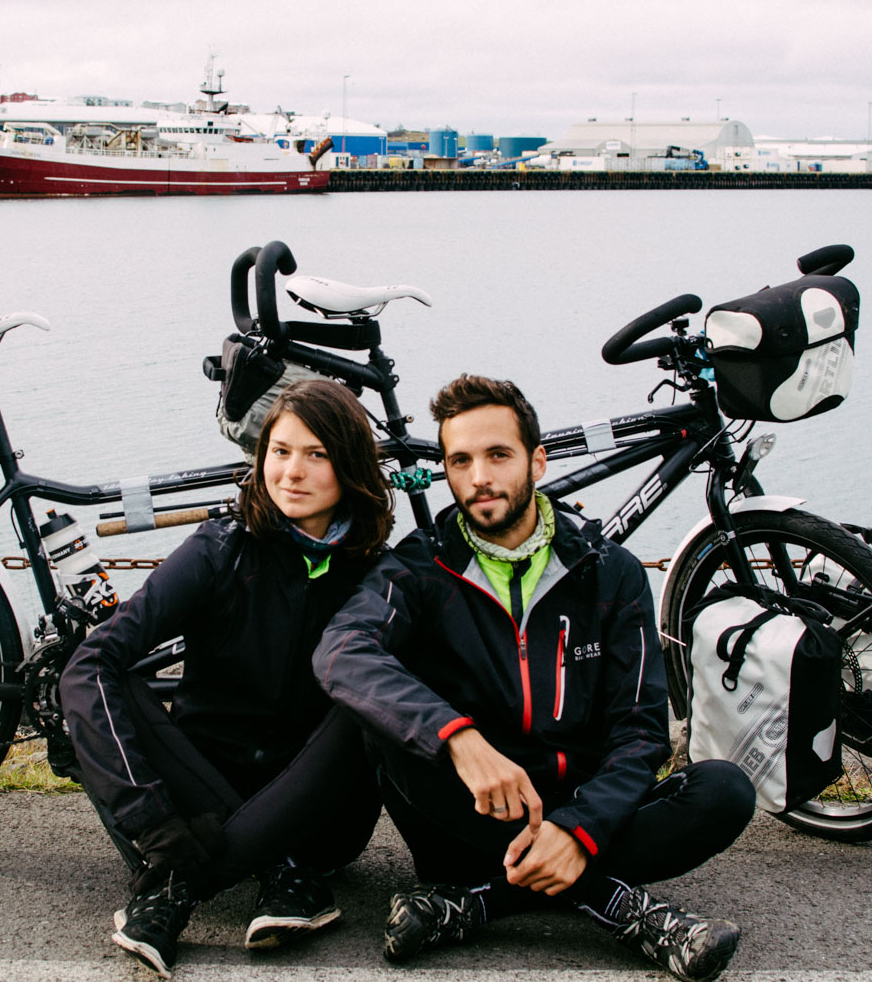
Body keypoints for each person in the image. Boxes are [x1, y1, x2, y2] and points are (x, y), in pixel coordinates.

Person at [312, 374, 756, 982]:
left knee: (725, 792)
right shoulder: (420, 564)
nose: (479, 478)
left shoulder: (611, 573)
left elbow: (640, 731)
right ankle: (623, 907)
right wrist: (458, 740)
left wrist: (578, 830)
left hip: (584, 811)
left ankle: (480, 904)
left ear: (537, 461)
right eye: (460, 461)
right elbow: (341, 651)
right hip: (463, 817)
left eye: (498, 455)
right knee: (379, 724)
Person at [60, 378, 393, 978]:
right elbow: (91, 665)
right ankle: (281, 875)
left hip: (320, 817)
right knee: (108, 672)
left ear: (350, 466)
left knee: (366, 701)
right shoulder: (222, 546)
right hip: (196, 800)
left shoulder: (376, 570)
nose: (291, 471)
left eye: (316, 455)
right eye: (280, 451)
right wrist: (151, 820)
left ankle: (176, 890)